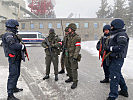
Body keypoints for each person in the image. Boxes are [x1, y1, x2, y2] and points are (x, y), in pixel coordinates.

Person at [104, 19, 129, 100]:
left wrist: (109, 48)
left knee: (114, 76)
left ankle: (113, 95)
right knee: (117, 74)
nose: (111, 27)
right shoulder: (114, 34)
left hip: (117, 58)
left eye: (112, 25)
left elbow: (121, 47)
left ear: (116, 25)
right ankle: (124, 90)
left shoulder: (122, 34)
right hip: (113, 58)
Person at [2, 19, 26, 100]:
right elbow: (12, 45)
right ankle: (10, 95)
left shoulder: (12, 34)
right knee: (13, 75)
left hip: (17, 57)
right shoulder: (9, 35)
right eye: (16, 26)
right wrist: (21, 46)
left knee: (17, 73)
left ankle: (14, 88)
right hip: (13, 57)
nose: (17, 28)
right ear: (12, 26)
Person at [65, 23, 81, 89]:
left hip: (73, 55)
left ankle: (75, 81)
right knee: (67, 66)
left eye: (69, 28)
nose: (68, 30)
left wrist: (75, 56)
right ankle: (71, 77)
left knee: (74, 69)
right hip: (67, 54)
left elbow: (78, 48)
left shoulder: (77, 37)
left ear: (72, 29)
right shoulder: (68, 36)